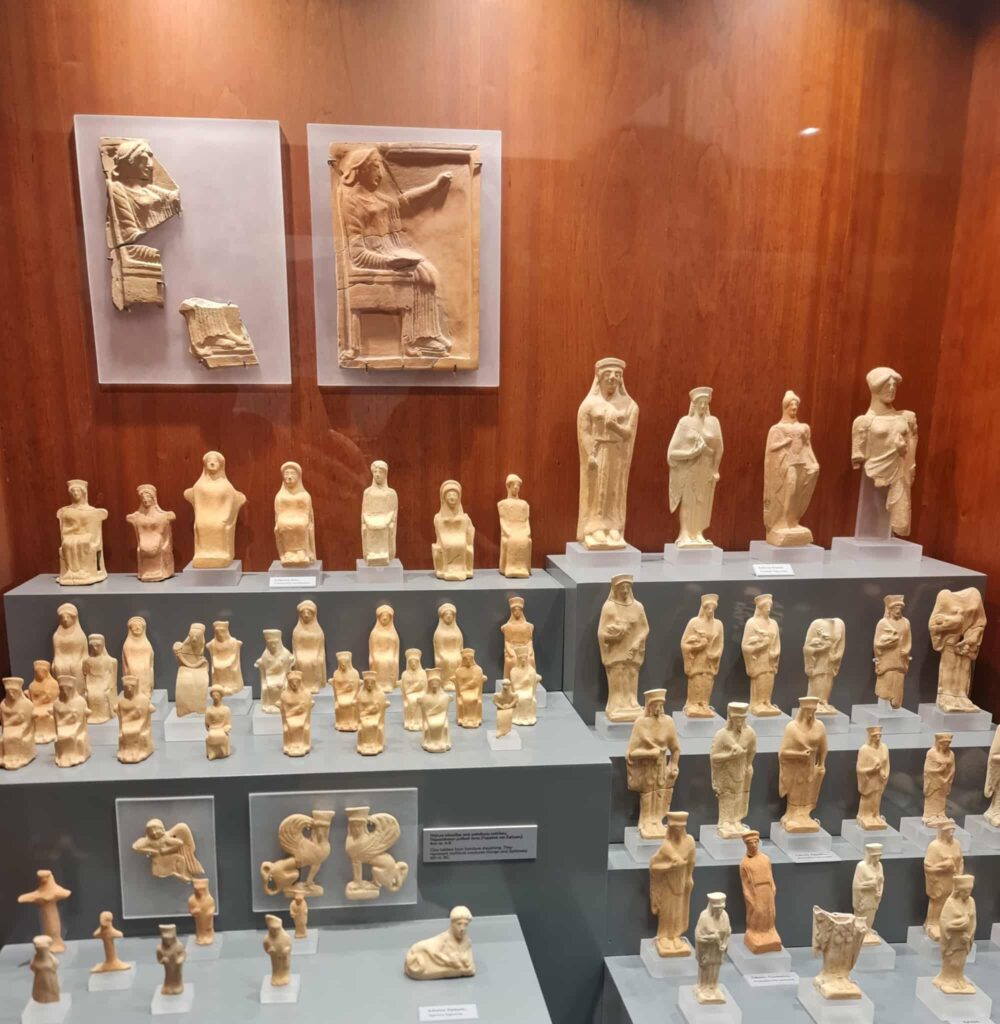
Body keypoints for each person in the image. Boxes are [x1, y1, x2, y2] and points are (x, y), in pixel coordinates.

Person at [337, 146, 453, 356]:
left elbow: (405, 201)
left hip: (392, 251)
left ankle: (429, 333)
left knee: (429, 272)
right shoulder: (351, 201)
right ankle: (419, 339)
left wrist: (435, 185)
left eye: (380, 168)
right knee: (419, 274)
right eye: (375, 167)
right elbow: (357, 254)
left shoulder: (377, 198)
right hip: (376, 257)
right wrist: (388, 262)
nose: (380, 174)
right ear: (360, 170)